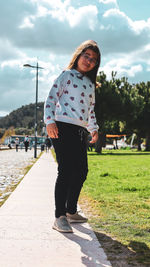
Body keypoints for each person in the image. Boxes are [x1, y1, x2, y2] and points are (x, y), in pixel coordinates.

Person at [44, 40, 101, 233]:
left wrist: (93, 128)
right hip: (61, 127)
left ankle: (70, 211)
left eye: (93, 59)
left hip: (79, 131)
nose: (89, 61)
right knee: (66, 170)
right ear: (78, 55)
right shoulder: (66, 75)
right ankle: (59, 216)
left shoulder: (91, 84)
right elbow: (51, 98)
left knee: (81, 171)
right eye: (86, 56)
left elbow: (90, 111)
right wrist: (49, 121)